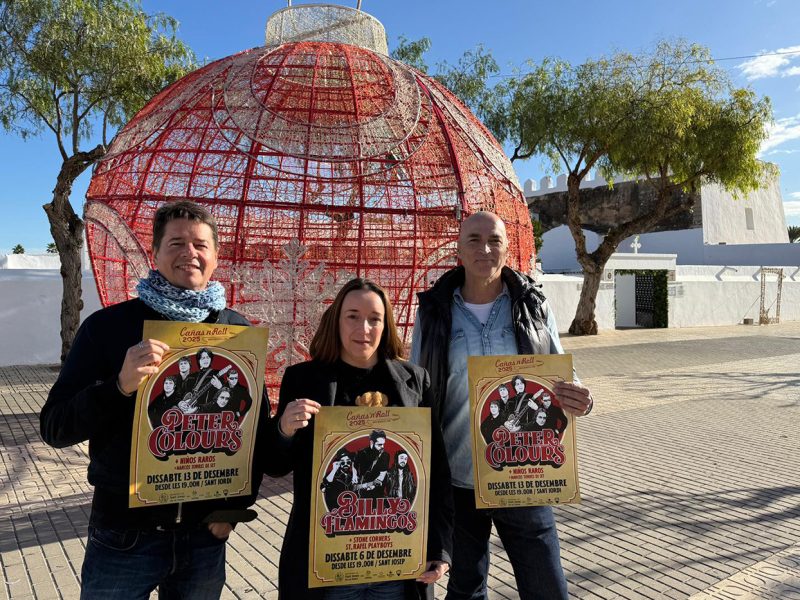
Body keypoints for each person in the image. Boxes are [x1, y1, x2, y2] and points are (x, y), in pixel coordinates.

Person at [40, 201, 269, 600]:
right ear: (156, 253)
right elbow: (55, 427)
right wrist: (118, 387)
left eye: (200, 244)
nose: (189, 253)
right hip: (124, 536)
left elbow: (255, 432)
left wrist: (234, 509)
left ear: (216, 256)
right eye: (176, 243)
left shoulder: (238, 332)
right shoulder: (108, 328)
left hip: (203, 539)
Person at [410, 211, 594, 600]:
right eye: (474, 240)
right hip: (459, 478)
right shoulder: (433, 312)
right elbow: (418, 388)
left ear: (508, 248)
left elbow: (559, 371)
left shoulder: (533, 305)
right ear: (458, 250)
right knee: (465, 588)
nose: (485, 248)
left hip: (524, 476)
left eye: (494, 240)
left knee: (547, 587)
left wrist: (579, 395)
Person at [263, 278, 453, 599]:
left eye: (374, 319)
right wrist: (283, 429)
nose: (363, 327)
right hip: (328, 563)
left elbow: (436, 471)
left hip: (397, 562)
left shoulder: (415, 381)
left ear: (386, 324)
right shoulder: (303, 379)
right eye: (352, 316)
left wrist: (440, 547)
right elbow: (276, 465)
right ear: (336, 320)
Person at [353, 429, 390, 498]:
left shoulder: (385, 455)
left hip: (377, 489)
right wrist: (354, 475)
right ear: (372, 442)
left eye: (383, 444)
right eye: (379, 444)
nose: (382, 447)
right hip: (361, 488)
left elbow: (383, 473)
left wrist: (374, 484)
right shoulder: (361, 453)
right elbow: (354, 464)